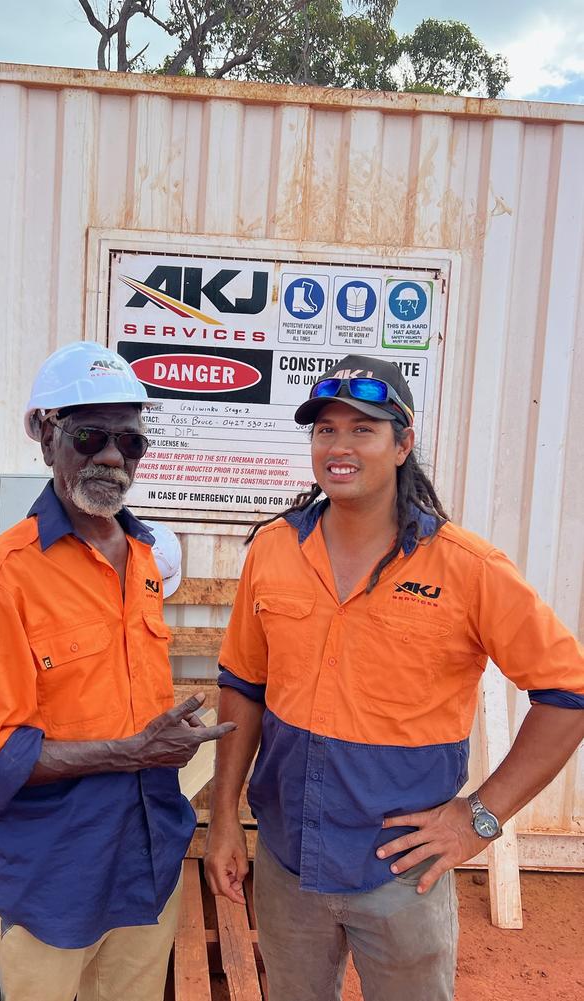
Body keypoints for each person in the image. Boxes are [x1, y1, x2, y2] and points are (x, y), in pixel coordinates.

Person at [204, 353, 584, 1001]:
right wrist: (220, 823)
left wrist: (479, 818)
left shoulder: (465, 567)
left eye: (363, 428)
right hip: (286, 862)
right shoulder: (273, 549)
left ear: (403, 443)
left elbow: (567, 694)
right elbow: (242, 686)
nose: (339, 445)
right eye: (326, 428)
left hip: (404, 875)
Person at [0, 341, 235, 1001]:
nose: (111, 456)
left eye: (129, 442)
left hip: (145, 861)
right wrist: (131, 751)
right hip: (52, 874)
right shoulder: (3, 577)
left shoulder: (145, 559)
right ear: (45, 437)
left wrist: (160, 745)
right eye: (90, 435)